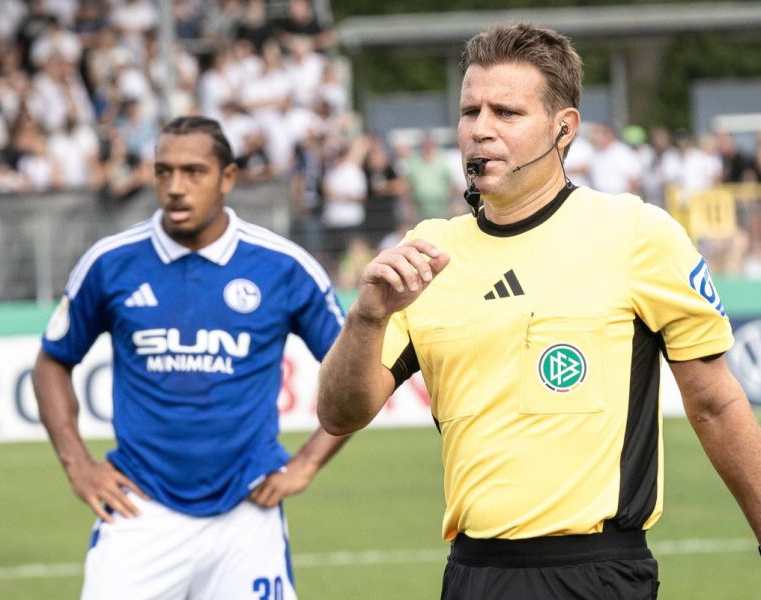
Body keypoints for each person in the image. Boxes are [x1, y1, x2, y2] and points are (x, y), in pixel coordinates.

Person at [316, 22, 761, 599]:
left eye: (506, 113)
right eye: (469, 111)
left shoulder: (635, 233)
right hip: (471, 574)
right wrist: (367, 318)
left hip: (597, 572)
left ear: (563, 129)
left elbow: (716, 403)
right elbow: (340, 413)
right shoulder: (428, 250)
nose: (481, 130)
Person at [32, 115, 349, 599]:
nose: (175, 187)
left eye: (193, 172)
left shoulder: (284, 267)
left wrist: (307, 462)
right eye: (164, 171)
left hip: (249, 511)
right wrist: (78, 464)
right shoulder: (110, 262)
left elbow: (358, 377)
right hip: (139, 508)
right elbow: (53, 361)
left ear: (227, 177)